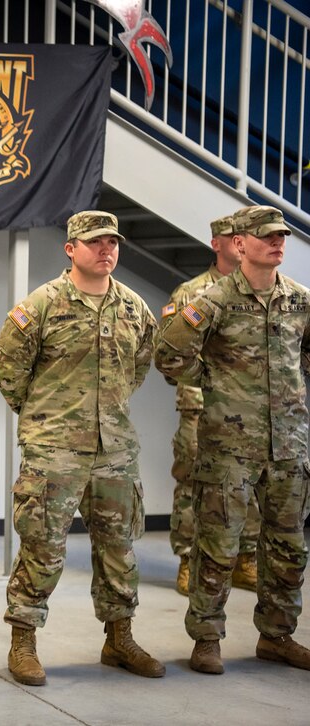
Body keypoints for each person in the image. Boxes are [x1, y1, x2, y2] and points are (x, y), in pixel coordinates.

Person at [0, 210, 164, 686]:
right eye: (95, 243)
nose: (106, 250)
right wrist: (47, 420)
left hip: (116, 452)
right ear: (71, 249)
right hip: (55, 452)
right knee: (43, 547)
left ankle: (119, 638)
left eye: (112, 243)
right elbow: (8, 373)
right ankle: (23, 641)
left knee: (120, 548)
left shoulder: (134, 309)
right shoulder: (40, 306)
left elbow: (140, 367)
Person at [154, 204, 310, 675]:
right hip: (228, 446)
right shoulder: (212, 300)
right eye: (267, 236)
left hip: (288, 446)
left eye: (282, 235)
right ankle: (206, 639)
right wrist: (218, 379)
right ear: (239, 244)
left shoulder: (300, 300)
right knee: (218, 546)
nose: (278, 242)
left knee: (288, 548)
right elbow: (168, 356)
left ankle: (277, 636)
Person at [160, 214, 260, 596]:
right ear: (215, 244)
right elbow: (170, 359)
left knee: (249, 486)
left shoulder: (260, 291)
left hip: (252, 412)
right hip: (201, 410)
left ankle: (245, 559)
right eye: (229, 237)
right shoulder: (191, 294)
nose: (237, 243)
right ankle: (188, 560)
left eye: (242, 236)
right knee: (191, 484)